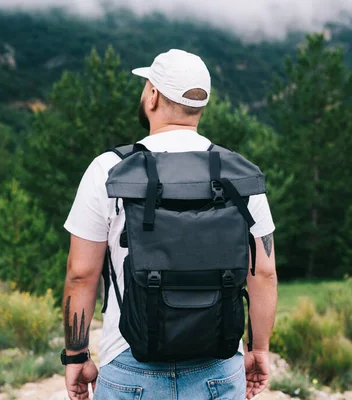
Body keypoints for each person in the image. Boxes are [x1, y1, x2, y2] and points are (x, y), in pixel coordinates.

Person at [61, 49, 278, 400]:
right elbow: (263, 271)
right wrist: (259, 349)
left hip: (130, 364)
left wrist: (76, 355)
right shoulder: (238, 172)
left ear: (153, 95)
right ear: (200, 106)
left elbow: (81, 273)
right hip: (219, 366)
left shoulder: (107, 169)